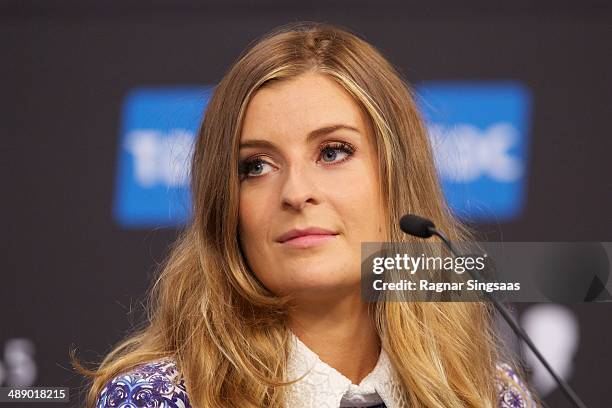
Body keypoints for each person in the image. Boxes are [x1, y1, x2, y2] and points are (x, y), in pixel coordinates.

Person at [73, 22, 539, 407]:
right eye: (255, 166)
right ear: (225, 208)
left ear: (398, 178)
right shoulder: (159, 399)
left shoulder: (489, 396)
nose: (296, 193)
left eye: (333, 152)